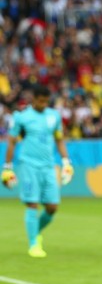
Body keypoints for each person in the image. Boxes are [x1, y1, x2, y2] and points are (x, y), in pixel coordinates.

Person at [1, 85, 74, 258]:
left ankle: (35, 232)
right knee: (32, 203)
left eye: (45, 101)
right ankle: (34, 244)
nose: (43, 104)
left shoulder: (54, 116)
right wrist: (7, 167)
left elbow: (59, 140)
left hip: (49, 166)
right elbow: (12, 142)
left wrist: (66, 162)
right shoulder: (22, 118)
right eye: (40, 101)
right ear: (33, 99)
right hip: (29, 165)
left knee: (52, 207)